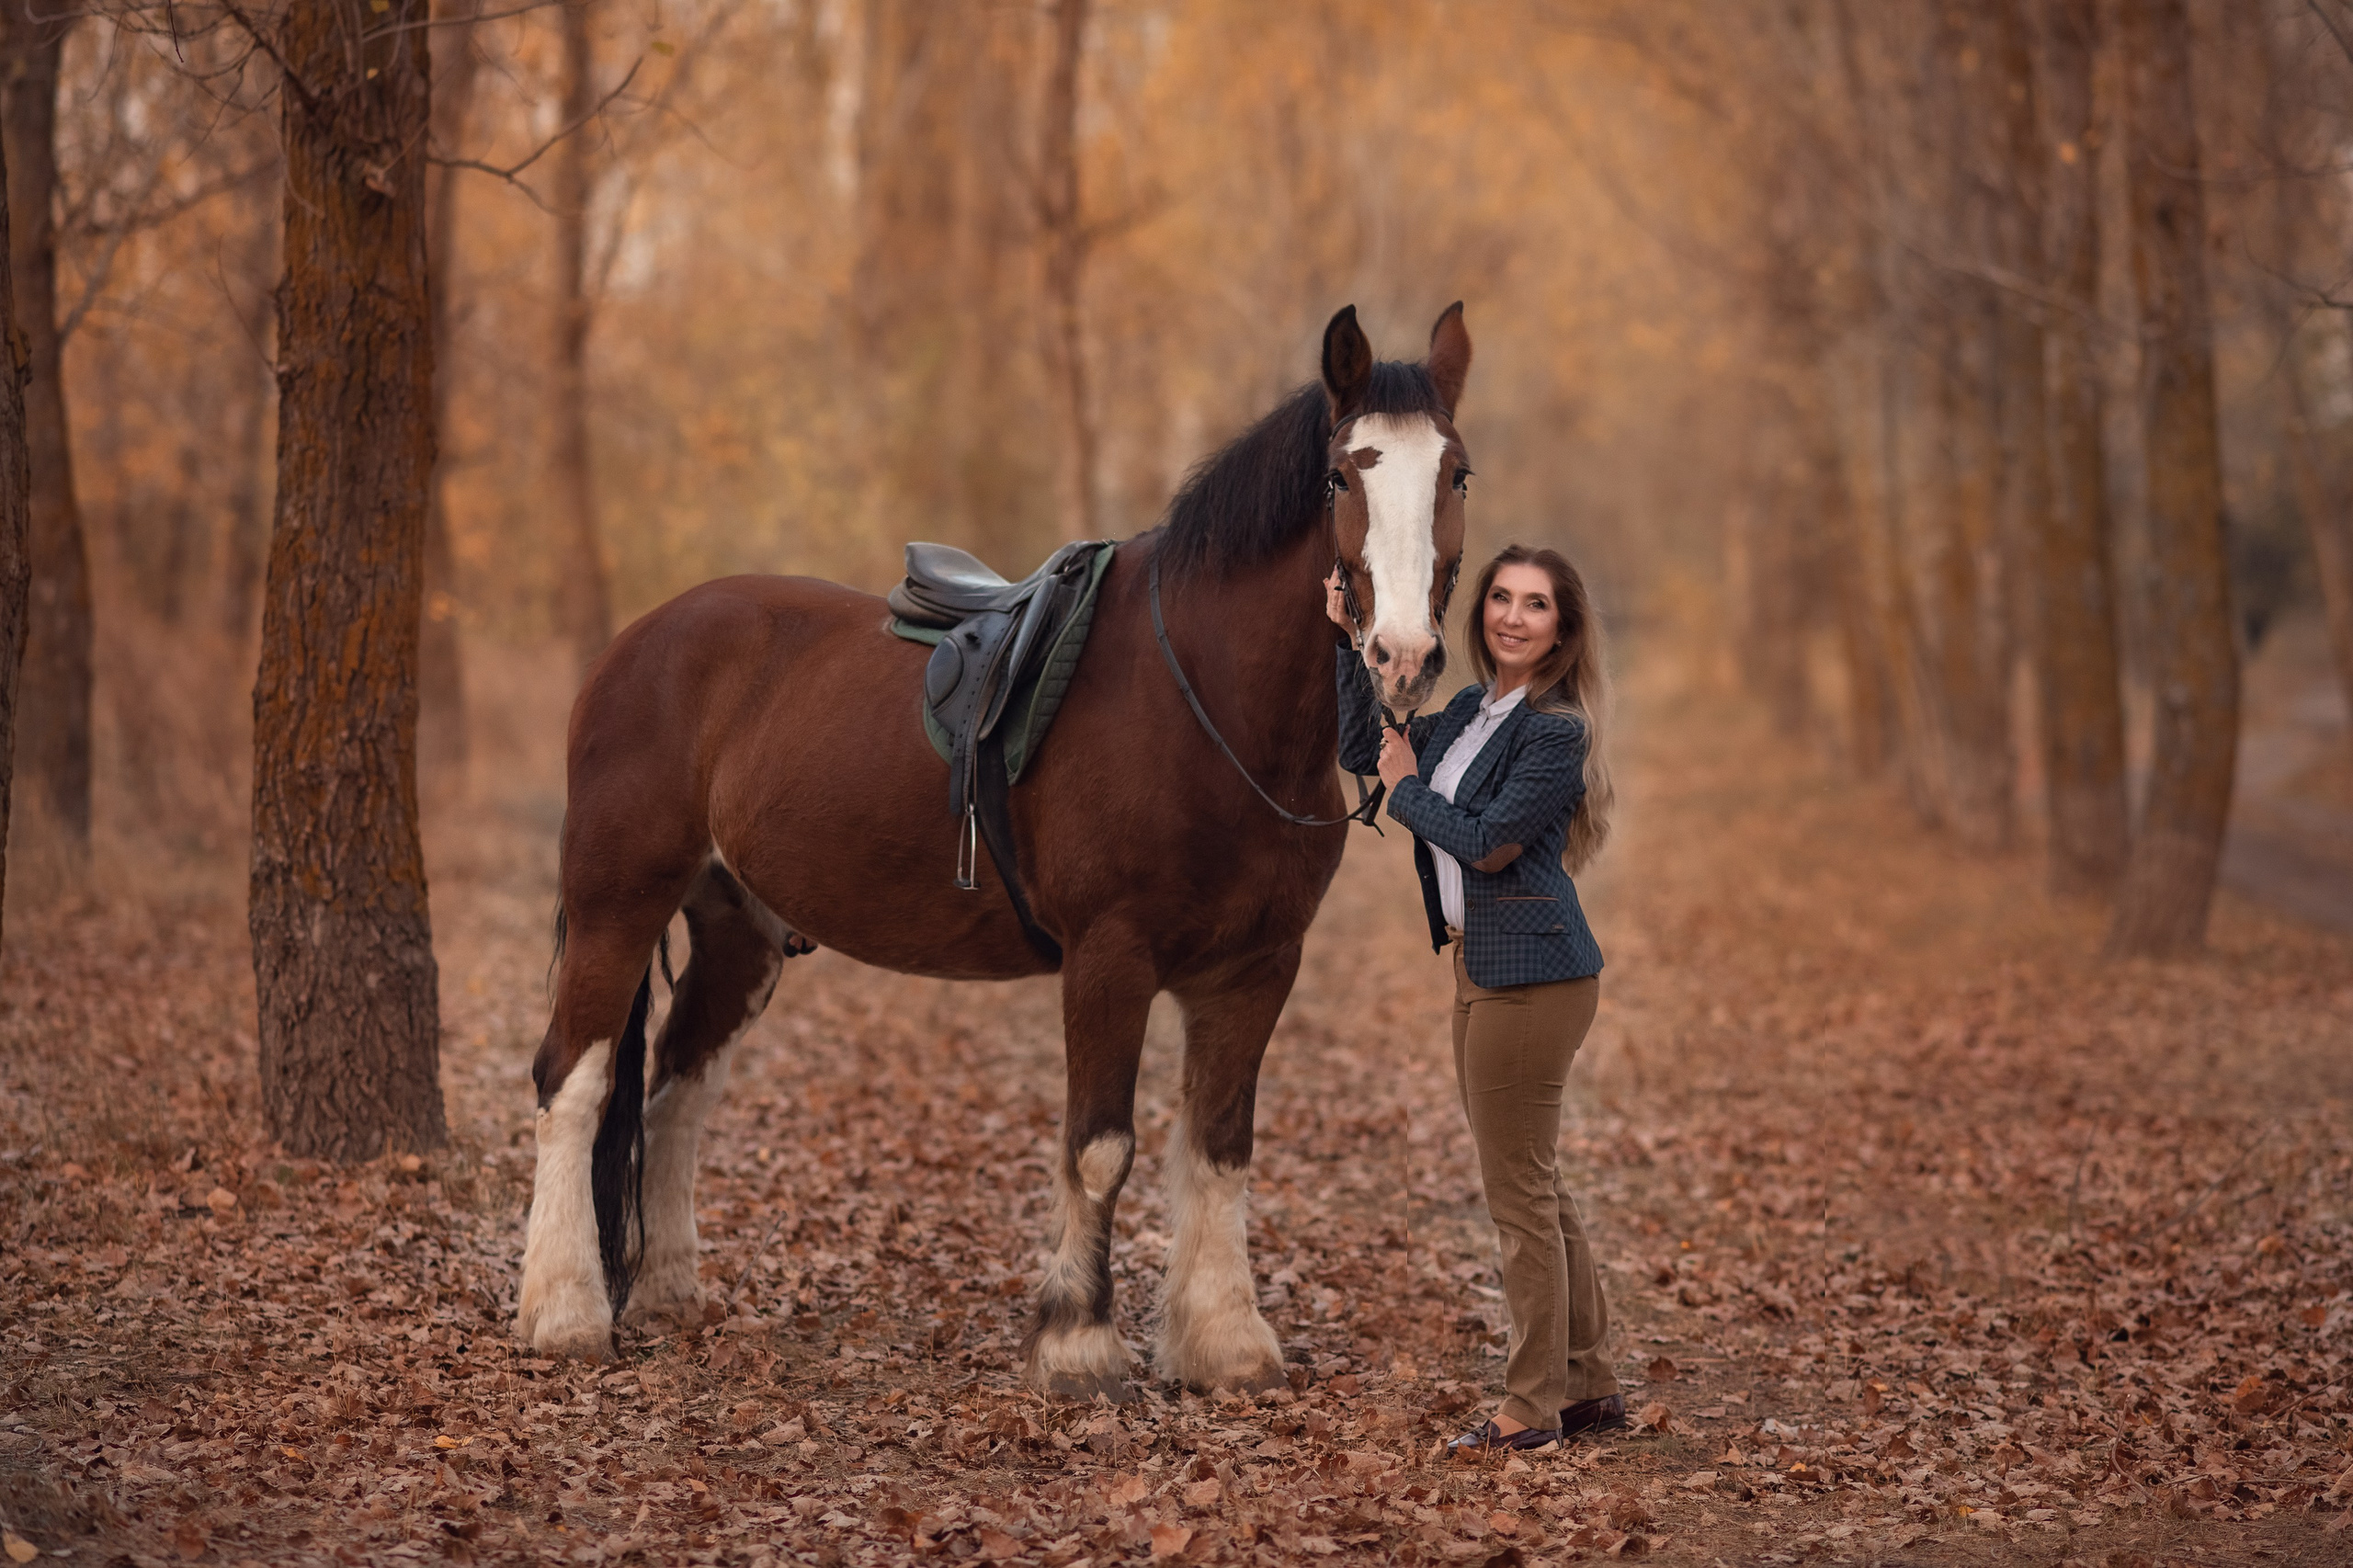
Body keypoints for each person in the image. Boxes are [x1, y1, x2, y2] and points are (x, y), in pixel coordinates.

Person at [1332, 542, 1624, 1453]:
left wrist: (1410, 788)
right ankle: (1588, 1384)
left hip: (1535, 976)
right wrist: (1348, 641)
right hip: (1477, 963)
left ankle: (1530, 1407)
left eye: (1534, 604)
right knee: (1534, 1183)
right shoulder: (1469, 708)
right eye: (1500, 597)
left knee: (1518, 1199)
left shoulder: (1556, 729)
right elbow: (1363, 750)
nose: (1510, 615)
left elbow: (1489, 841)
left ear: (1563, 628)